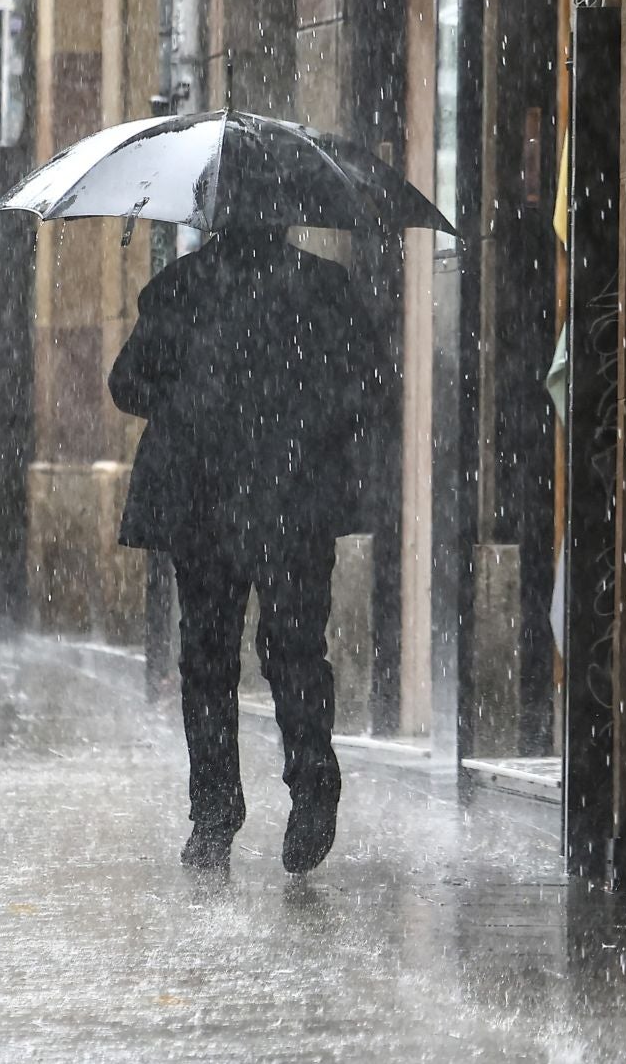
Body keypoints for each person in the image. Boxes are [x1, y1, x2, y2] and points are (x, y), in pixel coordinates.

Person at [109, 221, 385, 877]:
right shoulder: (325, 287)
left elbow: (126, 385)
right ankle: (313, 784)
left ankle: (213, 813)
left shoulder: (179, 288)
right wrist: (296, 427)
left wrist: (193, 402)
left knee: (208, 657)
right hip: (291, 498)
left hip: (203, 496)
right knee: (294, 649)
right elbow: (370, 385)